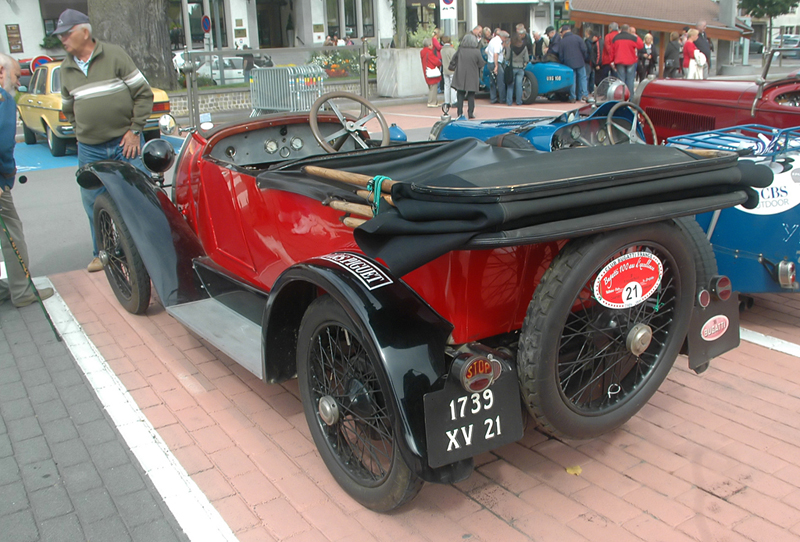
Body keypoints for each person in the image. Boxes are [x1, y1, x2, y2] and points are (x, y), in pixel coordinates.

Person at [54, 9, 154, 273]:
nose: (62, 40)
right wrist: (82, 134)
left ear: (84, 32)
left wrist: (134, 130)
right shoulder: (65, 68)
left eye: (66, 34)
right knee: (92, 201)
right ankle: (103, 252)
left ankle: (153, 247)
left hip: (126, 141)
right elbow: (69, 109)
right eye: (60, 36)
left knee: (140, 194)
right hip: (90, 148)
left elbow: (144, 94)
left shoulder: (115, 55)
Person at [0, 53, 54, 307]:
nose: (18, 82)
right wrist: (7, 175)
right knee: (12, 234)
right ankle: (21, 292)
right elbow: (2, 144)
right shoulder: (4, 100)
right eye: (16, 75)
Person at [452, 33, 485, 119]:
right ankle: (470, 112)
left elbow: (453, 60)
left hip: (460, 73)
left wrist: (452, 67)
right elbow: (481, 63)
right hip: (472, 74)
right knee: (471, 95)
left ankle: (459, 112)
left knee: (460, 94)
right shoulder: (477, 51)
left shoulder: (460, 50)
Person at [558, 25, 588, 102]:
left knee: (572, 80)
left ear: (564, 31)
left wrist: (563, 62)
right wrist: (583, 58)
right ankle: (584, 95)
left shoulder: (562, 41)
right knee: (583, 78)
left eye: (561, 32)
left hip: (569, 63)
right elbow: (584, 49)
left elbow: (560, 54)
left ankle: (573, 97)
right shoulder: (578, 38)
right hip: (580, 62)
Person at [612, 24, 643, 96]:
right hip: (631, 61)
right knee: (630, 80)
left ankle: (621, 97)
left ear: (621, 30)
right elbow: (641, 45)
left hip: (619, 61)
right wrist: (636, 35)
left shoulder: (615, 38)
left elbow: (612, 51)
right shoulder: (633, 38)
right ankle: (630, 98)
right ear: (628, 30)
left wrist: (612, 61)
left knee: (621, 81)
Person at [506, 32, 530, 105]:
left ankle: (509, 102)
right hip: (520, 68)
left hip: (512, 67)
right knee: (519, 86)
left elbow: (507, 57)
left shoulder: (511, 47)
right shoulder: (524, 47)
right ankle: (519, 101)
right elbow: (526, 59)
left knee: (510, 85)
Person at [486, 30, 508, 104]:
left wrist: (490, 56)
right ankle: (502, 99)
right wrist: (496, 66)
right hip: (496, 63)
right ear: (503, 37)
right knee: (500, 81)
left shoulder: (492, 40)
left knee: (492, 81)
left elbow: (486, 50)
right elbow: (496, 54)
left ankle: (493, 98)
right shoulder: (498, 43)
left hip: (490, 62)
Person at [420, 37, 442, 108]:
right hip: (432, 71)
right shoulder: (429, 53)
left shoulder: (423, 52)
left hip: (427, 71)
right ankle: (432, 102)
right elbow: (436, 61)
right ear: (429, 45)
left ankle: (434, 101)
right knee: (433, 88)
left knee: (431, 87)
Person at [440, 35, 457, 106]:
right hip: (452, 70)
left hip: (445, 69)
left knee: (446, 86)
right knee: (453, 86)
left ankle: (447, 101)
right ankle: (454, 101)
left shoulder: (442, 50)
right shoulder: (452, 50)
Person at [584, 28, 601, 94]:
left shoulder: (586, 42)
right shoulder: (594, 42)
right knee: (592, 77)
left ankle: (587, 90)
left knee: (587, 76)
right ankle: (591, 90)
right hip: (593, 62)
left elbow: (587, 52)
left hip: (588, 61)